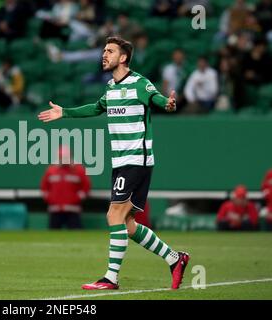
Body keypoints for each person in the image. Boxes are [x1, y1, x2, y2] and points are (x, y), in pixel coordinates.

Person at [38, 36, 189, 290]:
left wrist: (169, 103)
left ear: (123, 58)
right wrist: (65, 112)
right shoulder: (110, 88)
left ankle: (110, 278)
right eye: (103, 51)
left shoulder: (140, 84)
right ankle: (175, 259)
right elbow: (96, 108)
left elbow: (158, 100)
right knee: (128, 225)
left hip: (135, 160)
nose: (104, 55)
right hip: (121, 162)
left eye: (110, 51)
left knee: (113, 214)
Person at [41, 145, 91, 229]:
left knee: (76, 235)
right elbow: (44, 187)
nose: (64, 159)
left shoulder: (78, 170)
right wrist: (50, 198)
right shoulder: (51, 170)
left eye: (65, 157)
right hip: (55, 210)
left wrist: (77, 198)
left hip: (73, 210)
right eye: (62, 157)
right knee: (53, 236)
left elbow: (86, 187)